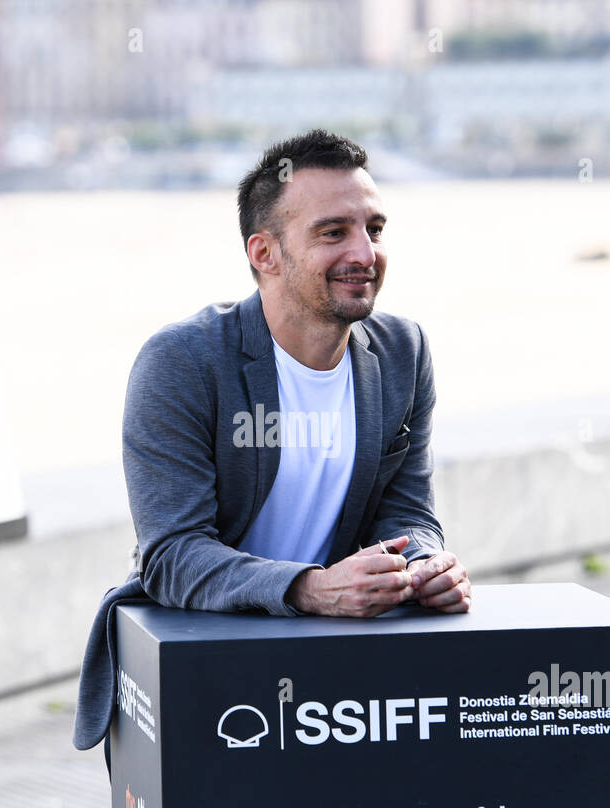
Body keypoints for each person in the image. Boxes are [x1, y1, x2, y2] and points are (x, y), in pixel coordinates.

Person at [73, 128, 470, 759]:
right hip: (199, 660)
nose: (365, 252)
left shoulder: (403, 353)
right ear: (265, 253)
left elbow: (408, 510)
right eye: (332, 232)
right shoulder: (183, 362)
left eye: (374, 227)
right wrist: (310, 589)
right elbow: (172, 554)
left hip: (341, 673)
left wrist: (420, 565)